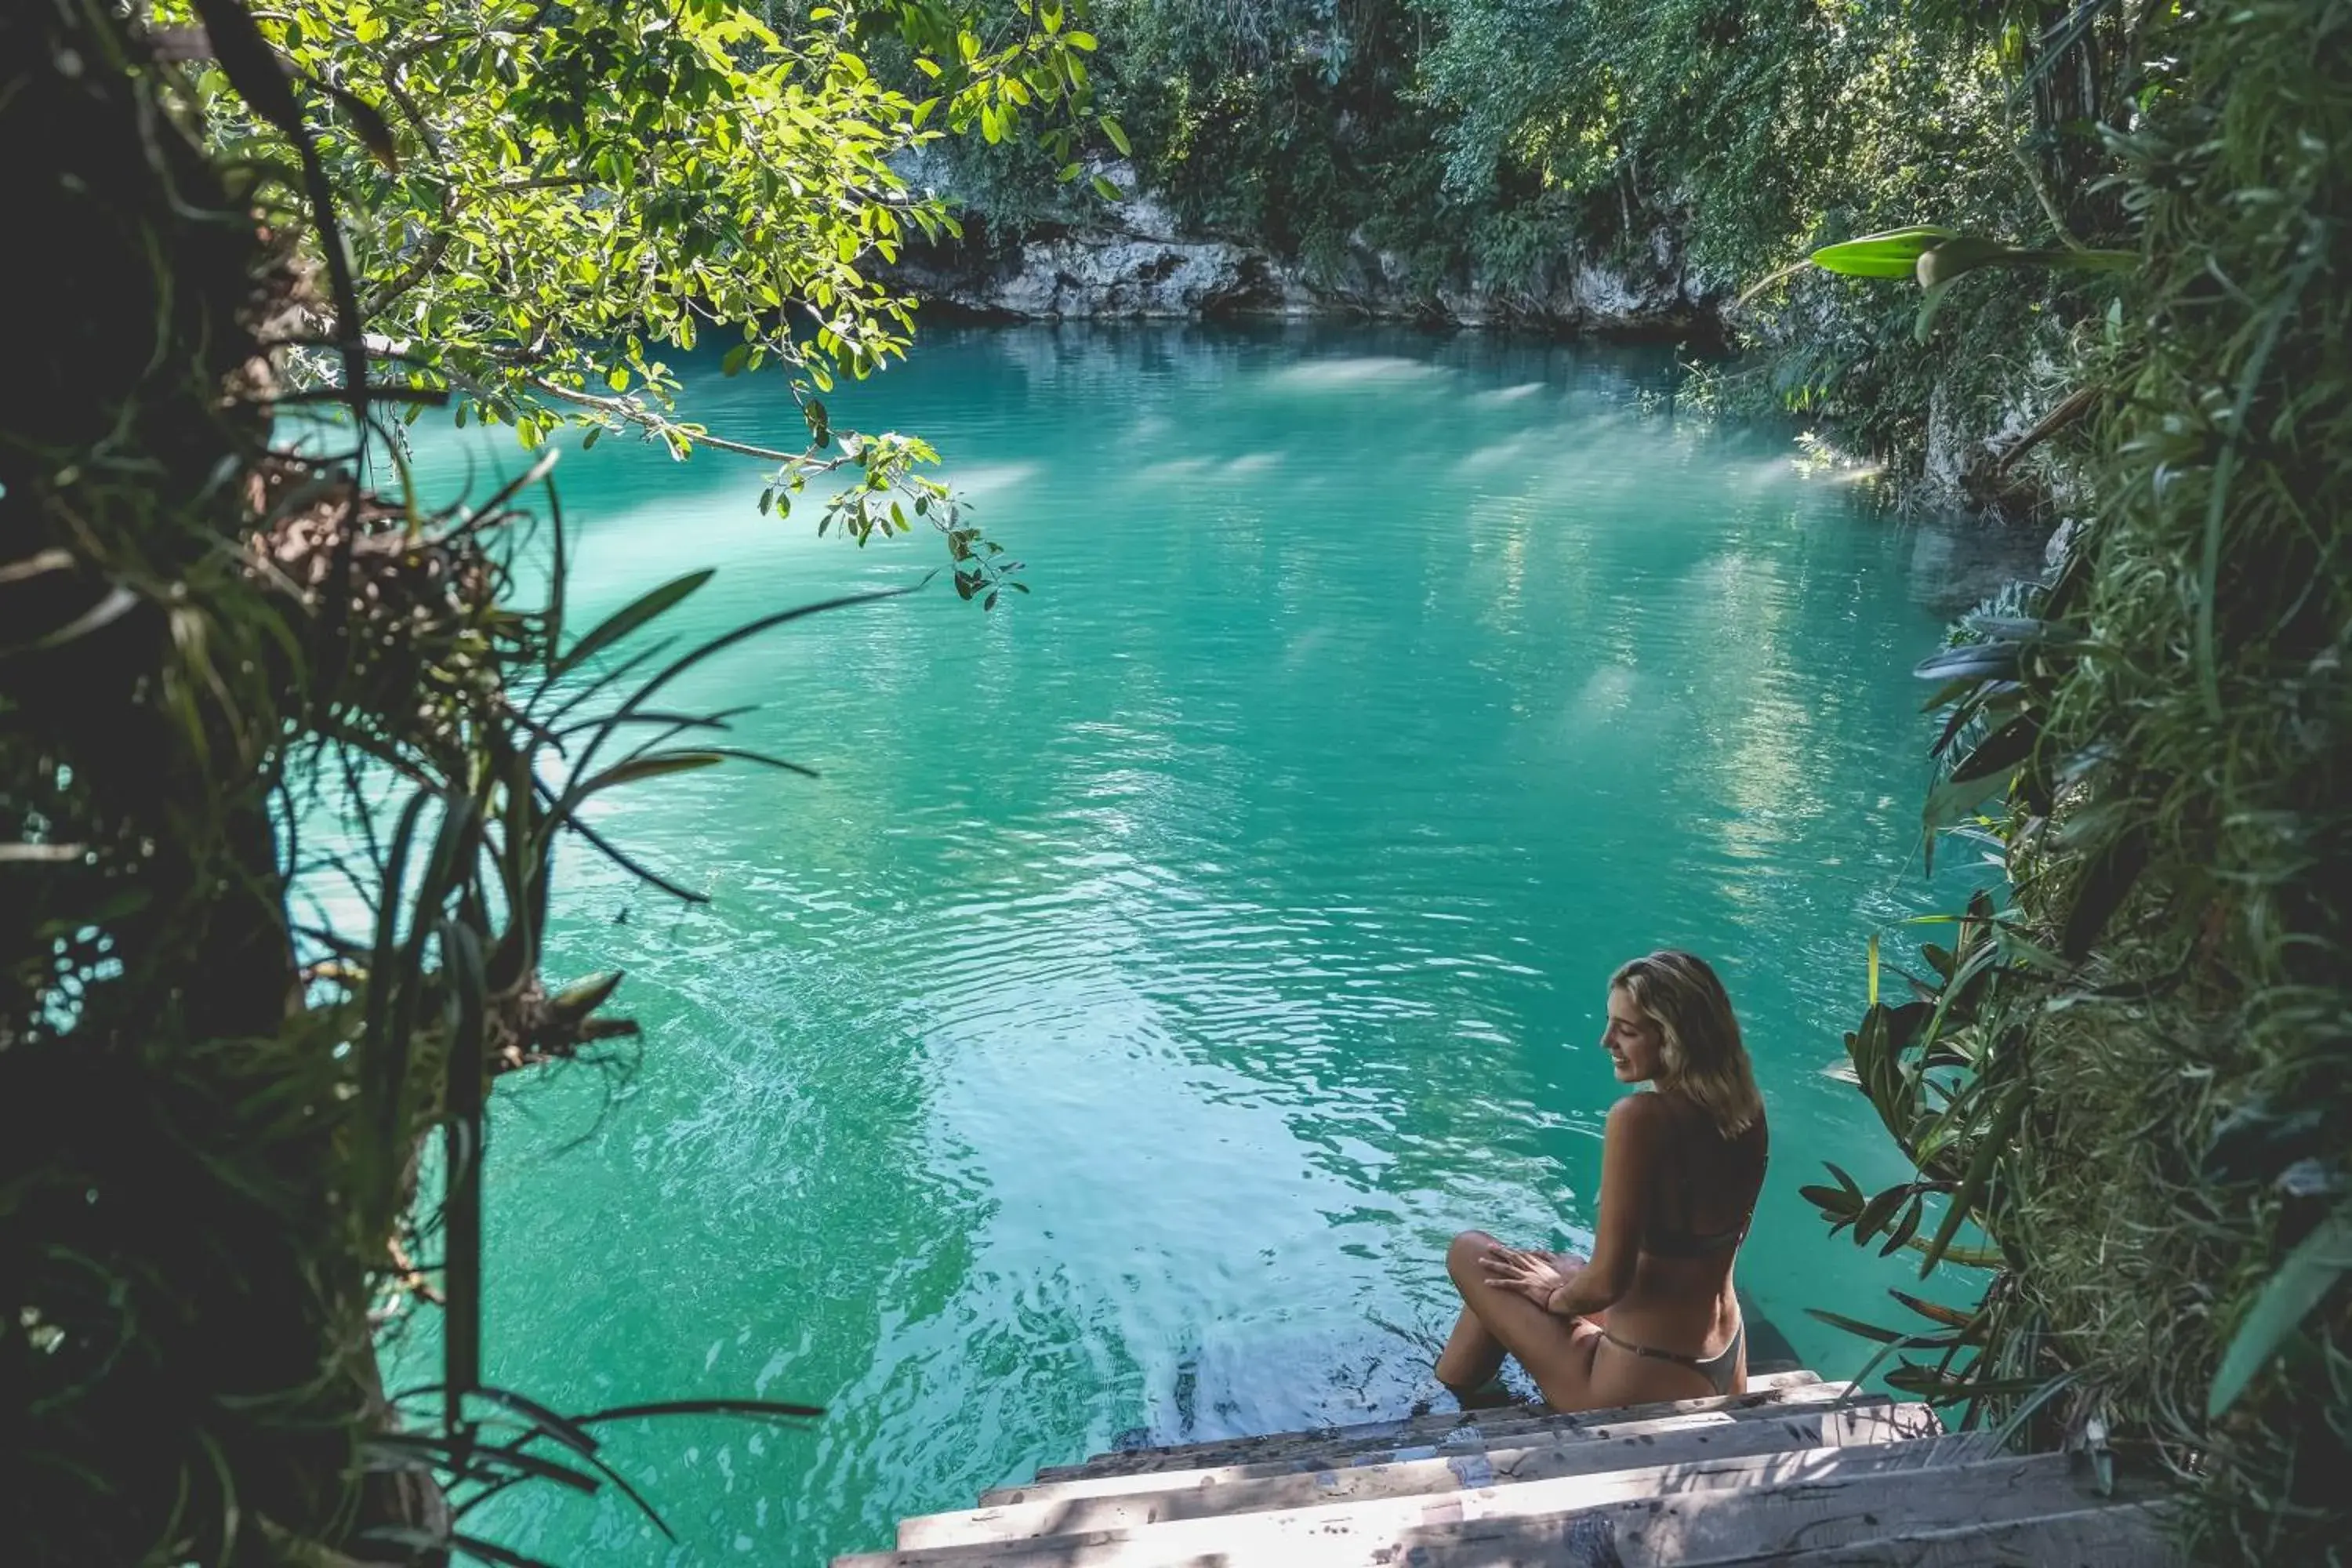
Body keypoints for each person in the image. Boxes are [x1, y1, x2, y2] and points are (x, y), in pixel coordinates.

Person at [1435, 950, 1769, 1410]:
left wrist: (1553, 1296)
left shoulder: (1640, 1118)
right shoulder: (1747, 1112)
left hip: (1638, 1381)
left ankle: (1446, 1403)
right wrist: (1560, 1280)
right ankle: (1462, 1391)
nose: (1605, 1040)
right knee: (1539, 1268)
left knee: (1473, 1255)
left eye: (1627, 1030)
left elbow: (1609, 1282)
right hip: (1724, 1364)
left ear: (1676, 1039)